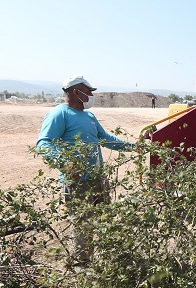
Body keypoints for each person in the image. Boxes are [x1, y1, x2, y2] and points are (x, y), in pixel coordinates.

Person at [36, 75, 131, 264]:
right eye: (89, 92)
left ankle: (109, 261)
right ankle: (84, 265)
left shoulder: (89, 115)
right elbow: (43, 144)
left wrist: (134, 146)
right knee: (82, 226)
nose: (92, 95)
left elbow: (105, 138)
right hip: (77, 182)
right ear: (76, 92)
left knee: (105, 219)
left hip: (97, 178)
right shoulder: (59, 114)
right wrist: (65, 164)